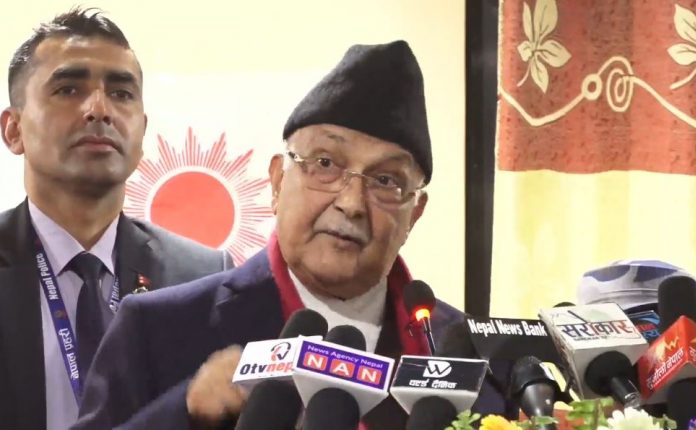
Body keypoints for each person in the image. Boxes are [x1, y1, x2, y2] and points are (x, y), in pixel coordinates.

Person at [74, 40, 513, 430]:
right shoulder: (159, 327)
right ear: (278, 181)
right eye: (325, 164)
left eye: (386, 181)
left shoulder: (474, 355)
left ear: (414, 214)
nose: (352, 203)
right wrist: (184, 411)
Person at [0, 8, 233, 430]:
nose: (99, 109)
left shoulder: (203, 277)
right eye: (69, 89)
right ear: (13, 130)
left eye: (121, 94)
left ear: (141, 131)